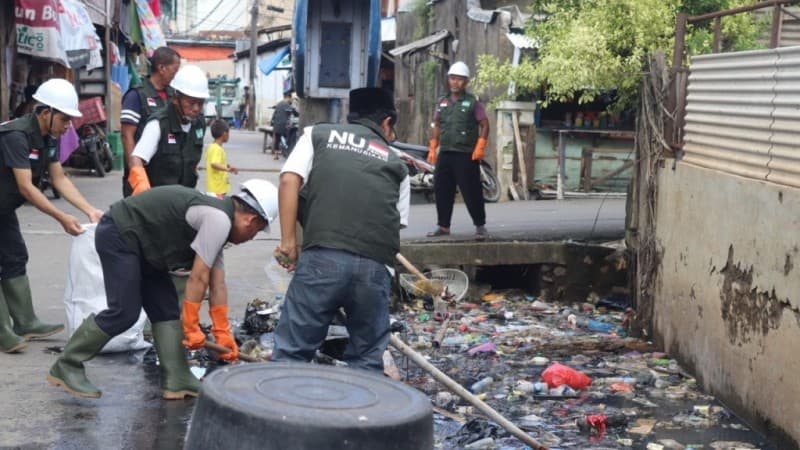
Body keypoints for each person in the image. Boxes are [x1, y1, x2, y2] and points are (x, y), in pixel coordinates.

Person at [47, 180, 279, 399]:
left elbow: (217, 283)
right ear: (252, 220)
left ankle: (177, 378)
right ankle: (67, 365)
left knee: (166, 310)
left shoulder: (220, 221)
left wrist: (223, 332)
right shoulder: (218, 220)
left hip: (147, 250)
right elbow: (197, 278)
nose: (252, 237)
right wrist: (191, 326)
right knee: (124, 312)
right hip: (120, 234)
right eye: (257, 232)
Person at [272, 87, 410, 373]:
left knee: (292, 354)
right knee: (367, 360)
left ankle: (281, 415)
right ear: (386, 123)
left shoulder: (318, 134)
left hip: (323, 257)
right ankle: (360, 417)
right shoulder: (398, 163)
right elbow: (395, 224)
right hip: (375, 267)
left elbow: (288, 181)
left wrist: (288, 242)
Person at [0, 78, 105, 353]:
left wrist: (89, 210)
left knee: (15, 256)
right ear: (45, 112)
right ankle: (3, 331)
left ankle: (25, 322)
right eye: (64, 119)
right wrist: (61, 218)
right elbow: (25, 186)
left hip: (3, 207)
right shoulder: (16, 135)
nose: (68, 125)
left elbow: (59, 179)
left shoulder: (49, 139)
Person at [426, 61, 490, 239]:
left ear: (466, 82)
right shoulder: (442, 102)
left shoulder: (472, 103)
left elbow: (484, 124)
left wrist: (480, 145)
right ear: (448, 80)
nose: (455, 82)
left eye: (460, 79)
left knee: (471, 190)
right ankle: (443, 226)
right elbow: (437, 124)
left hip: (465, 154)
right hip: (445, 152)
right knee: (442, 189)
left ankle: (480, 226)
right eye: (452, 78)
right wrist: (433, 146)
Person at [126, 65, 209, 196]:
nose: (196, 108)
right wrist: (142, 187)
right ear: (176, 98)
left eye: (200, 103)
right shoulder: (158, 124)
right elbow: (137, 158)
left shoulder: (199, 124)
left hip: (184, 199)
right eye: (191, 102)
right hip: (157, 201)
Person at [121, 47, 181, 197]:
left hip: (166, 177)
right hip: (144, 173)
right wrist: (136, 174)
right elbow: (127, 135)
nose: (175, 75)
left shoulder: (172, 96)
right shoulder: (136, 95)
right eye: (174, 70)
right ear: (161, 68)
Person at [205, 119, 238, 198]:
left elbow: (217, 162)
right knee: (219, 207)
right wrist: (227, 169)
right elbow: (214, 164)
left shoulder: (212, 146)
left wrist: (227, 166)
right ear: (224, 134)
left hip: (215, 187)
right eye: (228, 133)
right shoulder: (217, 149)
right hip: (217, 189)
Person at [270, 90, 299, 160]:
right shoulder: (287, 105)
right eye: (291, 98)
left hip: (276, 125)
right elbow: (295, 113)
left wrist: (272, 123)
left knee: (277, 139)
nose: (292, 100)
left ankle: (276, 155)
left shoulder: (279, 104)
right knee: (290, 137)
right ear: (288, 97)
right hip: (283, 126)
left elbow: (274, 115)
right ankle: (288, 151)